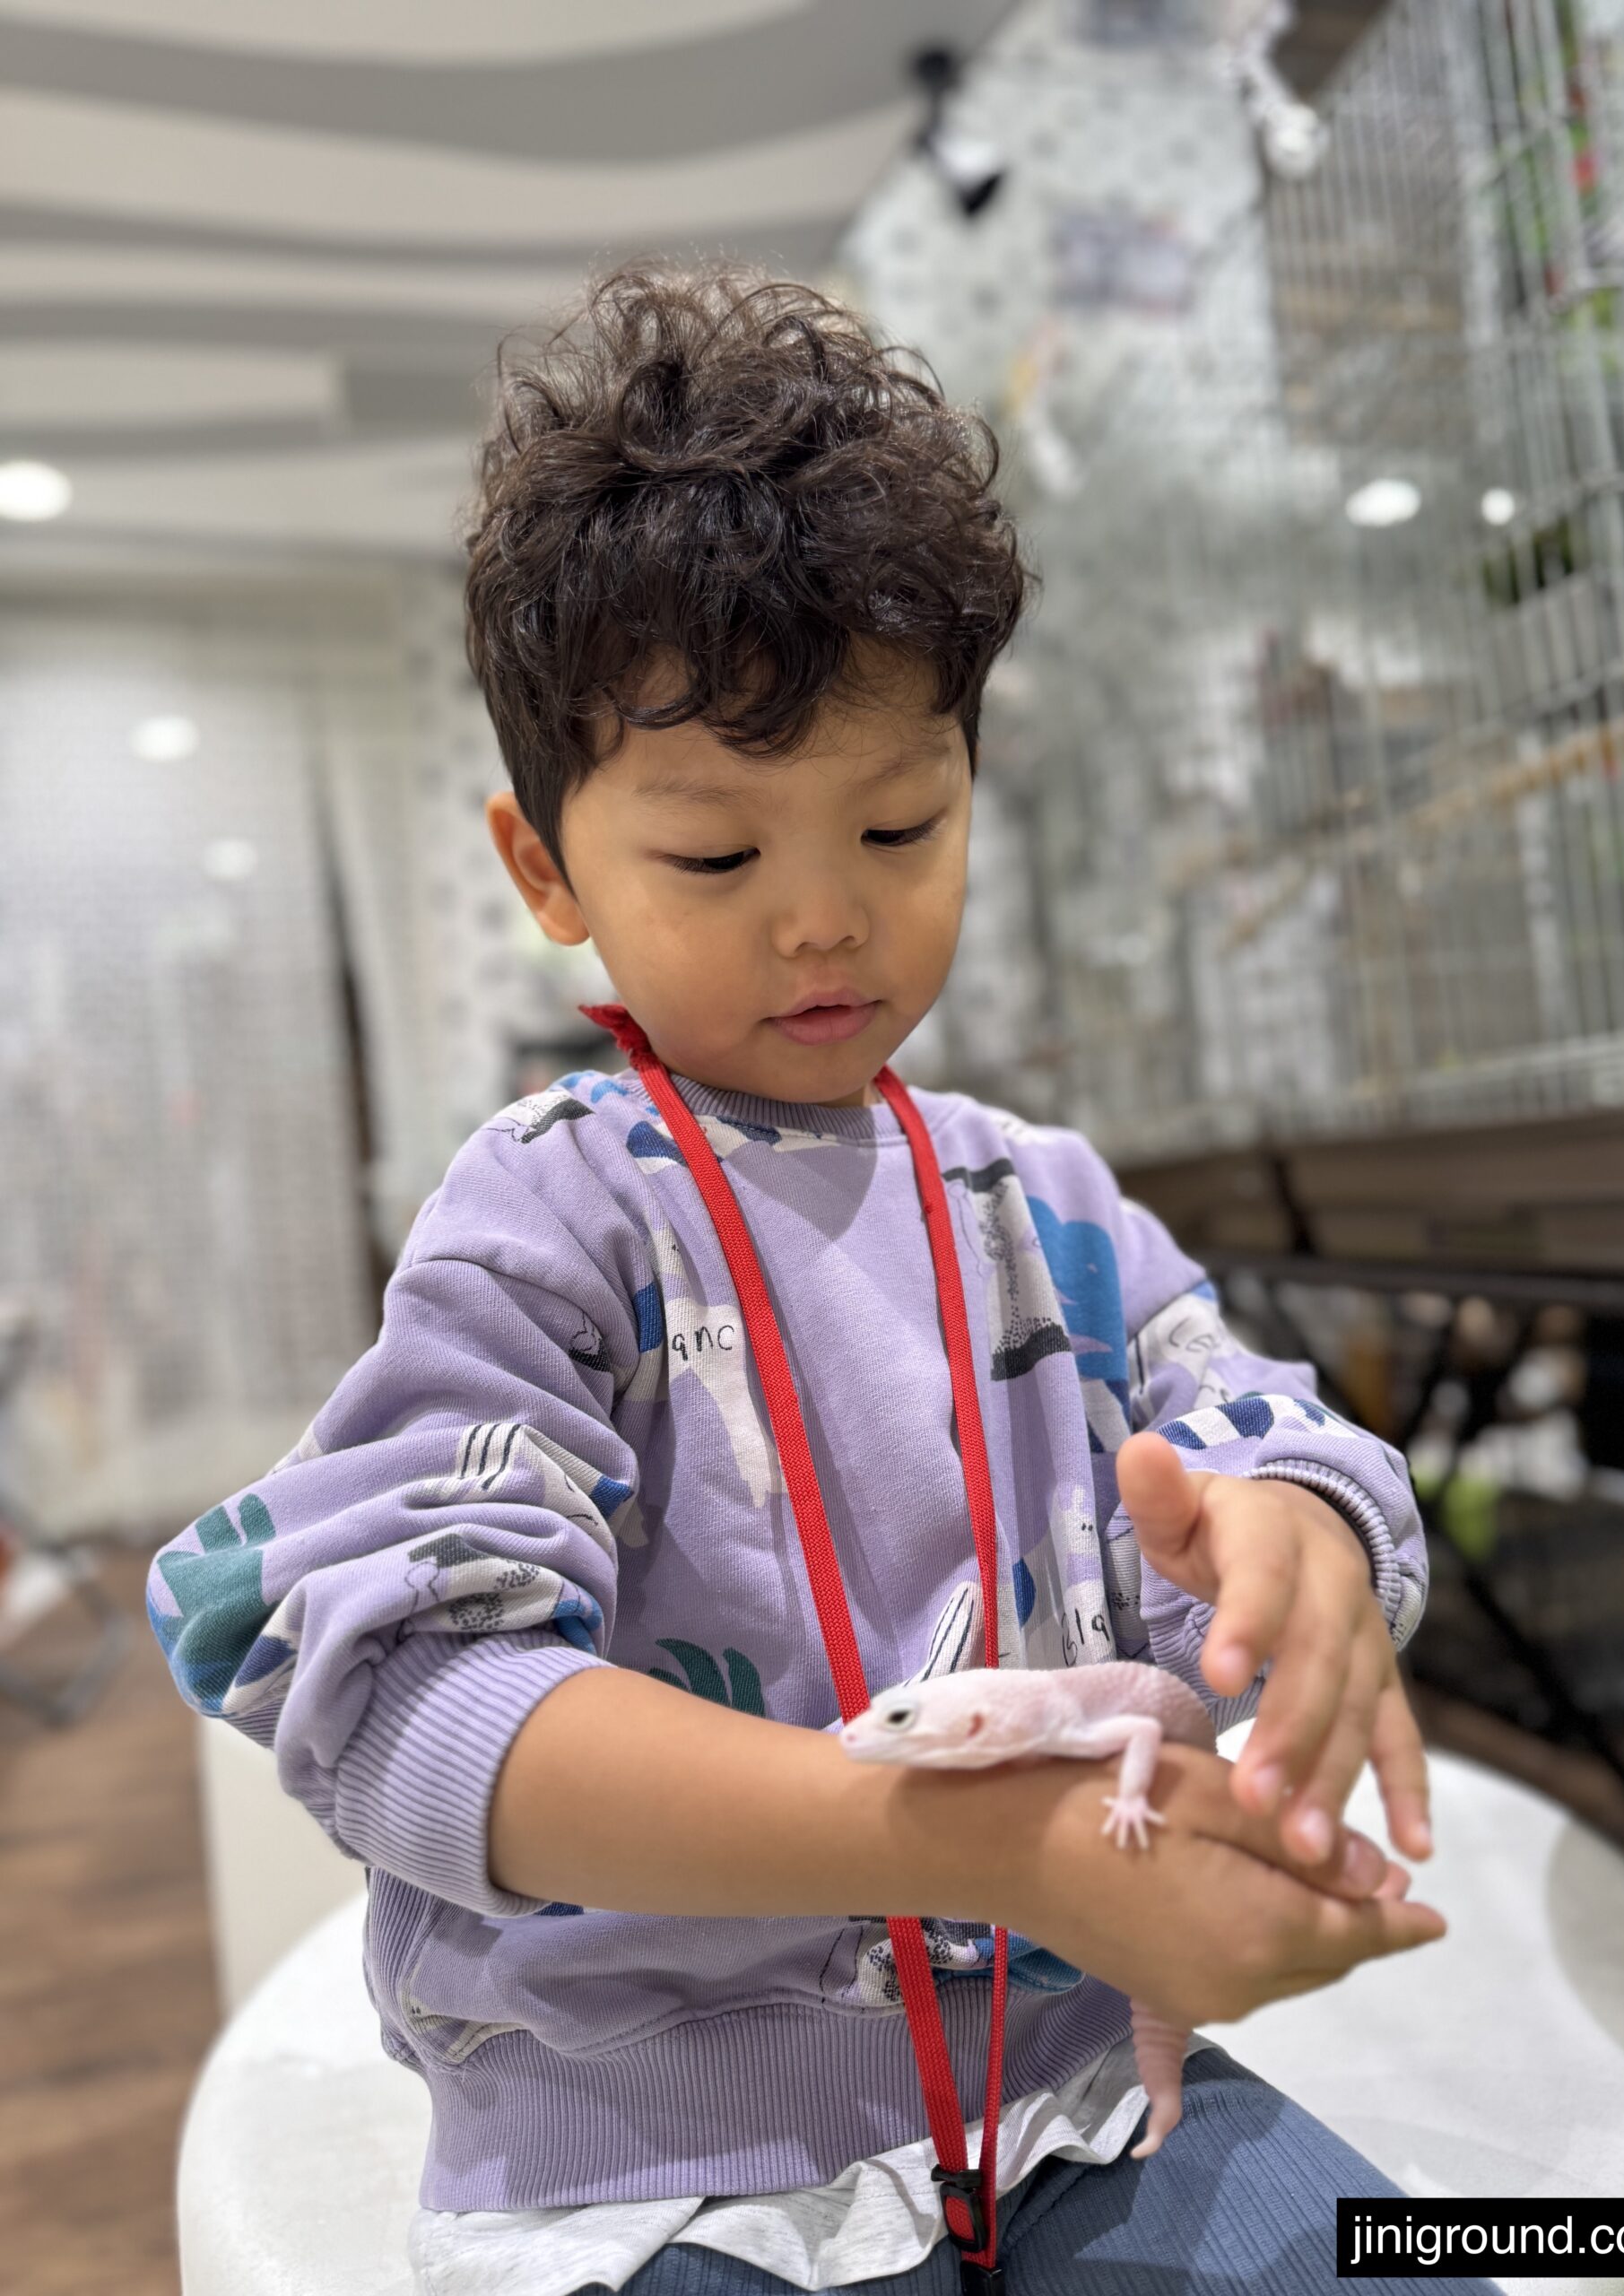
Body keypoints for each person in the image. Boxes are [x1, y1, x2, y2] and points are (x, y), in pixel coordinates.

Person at [147, 265, 1495, 2296]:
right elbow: (415, 1708)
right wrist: (956, 1840)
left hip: (1071, 2071)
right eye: (712, 857)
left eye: (898, 820)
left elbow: (1254, 1423)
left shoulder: (1039, 1198)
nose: (825, 920)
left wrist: (1297, 1525)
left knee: (1483, 2254)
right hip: (657, 2163)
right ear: (546, 872)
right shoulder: (546, 1217)